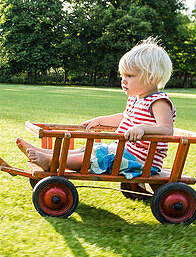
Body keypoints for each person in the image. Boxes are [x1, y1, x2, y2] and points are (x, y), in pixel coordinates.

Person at [17, 38, 176, 178]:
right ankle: (45, 153)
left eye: (130, 76)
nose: (123, 81)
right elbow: (124, 117)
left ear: (152, 77)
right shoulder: (135, 99)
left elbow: (166, 129)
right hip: (122, 152)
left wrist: (143, 128)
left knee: (96, 155)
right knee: (90, 148)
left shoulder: (159, 101)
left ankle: (53, 161)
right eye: (122, 76)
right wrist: (100, 120)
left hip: (140, 161)